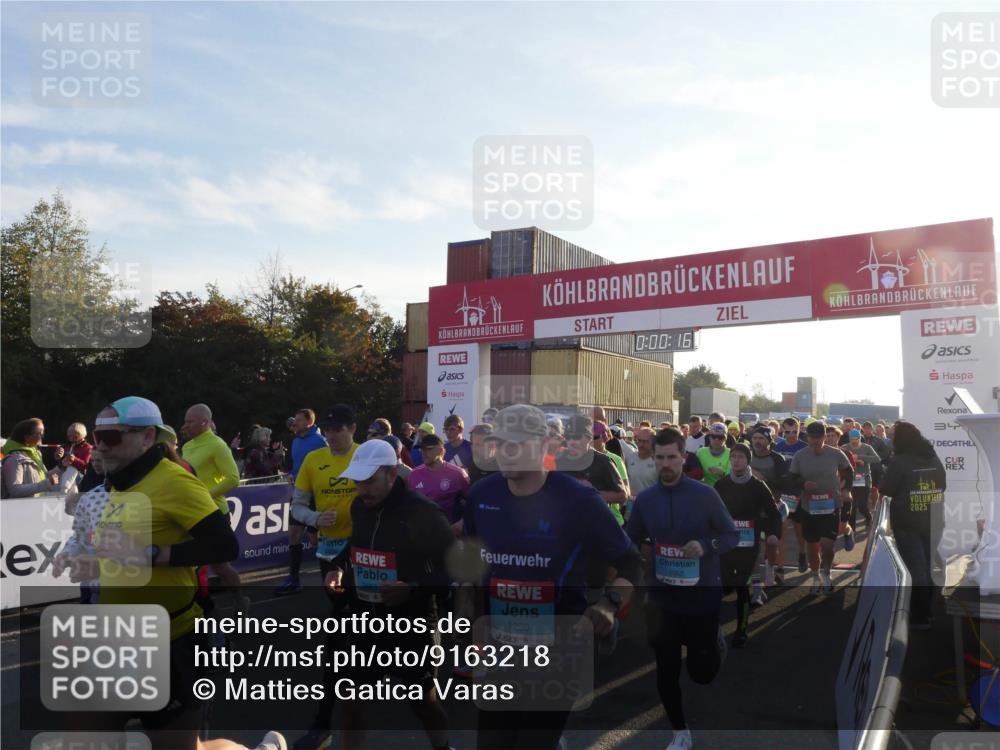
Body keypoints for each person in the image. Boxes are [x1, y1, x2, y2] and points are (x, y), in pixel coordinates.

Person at [465, 404, 640, 750]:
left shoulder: (579, 499)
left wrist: (609, 604)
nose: (506, 452)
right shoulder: (481, 495)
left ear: (544, 444)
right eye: (501, 443)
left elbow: (631, 562)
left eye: (517, 443)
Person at [77, 396, 239, 746]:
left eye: (111, 437)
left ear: (147, 437)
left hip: (170, 642)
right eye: (97, 436)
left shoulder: (174, 481)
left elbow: (225, 546)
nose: (100, 445)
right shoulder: (118, 482)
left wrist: (152, 554)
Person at [324, 439, 457, 750]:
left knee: (423, 702)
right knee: (351, 700)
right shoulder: (360, 506)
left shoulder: (423, 512)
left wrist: (413, 588)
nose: (362, 490)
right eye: (357, 482)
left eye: (369, 481)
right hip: (365, 621)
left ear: (392, 474)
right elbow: (355, 544)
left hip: (412, 625)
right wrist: (338, 567)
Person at [627, 428, 738, 750]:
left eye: (671, 457)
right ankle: (680, 732)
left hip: (701, 595)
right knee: (666, 669)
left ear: (683, 457)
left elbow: (731, 535)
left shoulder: (705, 495)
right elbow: (630, 536)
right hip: (662, 597)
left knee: (702, 673)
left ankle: (713, 641)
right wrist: (637, 549)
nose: (665, 464)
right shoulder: (646, 499)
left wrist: (705, 545)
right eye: (660, 458)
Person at [288, 404, 359, 745]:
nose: (331, 436)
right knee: (342, 615)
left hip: (366, 549)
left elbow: (400, 484)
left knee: (359, 615)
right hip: (330, 552)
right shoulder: (313, 460)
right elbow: (297, 506)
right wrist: (315, 519)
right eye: (327, 430)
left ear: (352, 429)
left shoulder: (366, 455)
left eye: (337, 429)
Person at [878, 421, 945, 630]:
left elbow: (886, 489)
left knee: (917, 569)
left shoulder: (899, 461)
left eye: (893, 436)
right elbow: (943, 485)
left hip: (908, 522)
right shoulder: (932, 457)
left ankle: (919, 616)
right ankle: (929, 612)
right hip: (933, 520)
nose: (890, 440)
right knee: (928, 565)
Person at [180, 403, 246, 610]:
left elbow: (233, 478)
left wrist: (205, 495)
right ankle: (194, 607)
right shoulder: (187, 446)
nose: (185, 425)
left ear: (204, 422)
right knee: (189, 563)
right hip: (189, 512)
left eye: (189, 422)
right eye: (185, 421)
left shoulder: (217, 445)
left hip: (214, 512)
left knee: (220, 567)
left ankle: (240, 601)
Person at [715, 443, 782, 646]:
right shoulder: (721, 485)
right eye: (733, 456)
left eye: (741, 457)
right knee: (722, 586)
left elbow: (773, 514)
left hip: (749, 543)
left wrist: (773, 534)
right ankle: (713, 629)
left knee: (742, 585)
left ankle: (741, 630)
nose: (736, 460)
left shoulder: (758, 486)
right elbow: (711, 512)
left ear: (748, 461)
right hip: (726, 543)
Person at [787, 421, 854, 594]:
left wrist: (846, 489)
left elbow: (849, 470)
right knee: (812, 547)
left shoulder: (836, 454)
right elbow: (791, 478)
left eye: (819, 437)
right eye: (812, 437)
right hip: (809, 507)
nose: (815, 441)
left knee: (827, 546)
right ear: (807, 437)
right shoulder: (800, 456)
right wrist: (803, 484)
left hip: (831, 505)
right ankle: (815, 575)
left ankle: (826, 572)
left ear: (824, 437)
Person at [276, 408, 327, 595]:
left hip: (316, 496)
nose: (294, 423)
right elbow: (297, 466)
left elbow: (328, 465)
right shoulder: (296, 441)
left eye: (298, 420)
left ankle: (332, 575)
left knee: (314, 540)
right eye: (295, 420)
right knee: (293, 534)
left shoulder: (320, 441)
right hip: (299, 494)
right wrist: (291, 474)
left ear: (309, 422)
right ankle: (294, 578)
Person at [54, 452, 108, 604]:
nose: (97, 464)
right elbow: (79, 535)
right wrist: (66, 554)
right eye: (93, 461)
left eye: (100, 460)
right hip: (91, 584)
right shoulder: (91, 495)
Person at [556, 415, 628, 525]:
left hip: (595, 525)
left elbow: (622, 496)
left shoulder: (602, 461)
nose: (572, 442)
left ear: (589, 438)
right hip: (565, 526)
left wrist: (591, 492)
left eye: (577, 437)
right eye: (568, 437)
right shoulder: (558, 460)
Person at [748, 426, 791, 587]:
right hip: (750, 507)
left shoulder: (777, 459)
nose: (757, 441)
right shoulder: (747, 456)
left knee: (772, 543)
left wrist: (763, 479)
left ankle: (771, 569)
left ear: (770, 440)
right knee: (751, 544)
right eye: (755, 438)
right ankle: (752, 578)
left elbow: (784, 484)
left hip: (773, 506)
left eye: (761, 438)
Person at [408, 433, 470, 532]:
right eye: (422, 449)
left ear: (441, 451)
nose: (424, 453)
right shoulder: (414, 474)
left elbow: (472, 503)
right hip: (422, 533)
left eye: (429, 449)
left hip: (449, 534)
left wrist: (462, 522)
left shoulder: (458, 474)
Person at [773, 417, 809, 572]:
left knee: (799, 529)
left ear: (800, 430)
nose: (791, 435)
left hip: (799, 493)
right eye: (787, 432)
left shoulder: (805, 447)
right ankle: (780, 567)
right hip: (783, 494)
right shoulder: (777, 447)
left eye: (795, 431)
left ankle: (802, 554)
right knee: (781, 530)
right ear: (783, 431)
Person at [841, 429, 881, 550]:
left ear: (860, 438)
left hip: (864, 479)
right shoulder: (844, 447)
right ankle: (851, 532)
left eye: (856, 439)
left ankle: (868, 518)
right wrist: (852, 461)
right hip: (851, 480)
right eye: (852, 439)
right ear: (849, 439)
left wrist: (861, 458)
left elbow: (877, 458)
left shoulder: (866, 447)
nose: (854, 442)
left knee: (862, 506)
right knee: (852, 507)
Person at [1, 418, 58, 498]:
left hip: (37, 503)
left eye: (43, 433)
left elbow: (43, 476)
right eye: (39, 433)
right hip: (23, 506)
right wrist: (46, 484)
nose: (42, 436)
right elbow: (14, 491)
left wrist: (62, 466)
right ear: (27, 437)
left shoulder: (35, 454)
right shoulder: (14, 459)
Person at [626, 427, 658, 514]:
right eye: (639, 441)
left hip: (652, 508)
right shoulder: (630, 458)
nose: (641, 444)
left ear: (653, 442)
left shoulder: (659, 460)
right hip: (631, 507)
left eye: (645, 441)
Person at [695, 423, 731, 488]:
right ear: (709, 437)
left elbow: (735, 478)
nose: (716, 440)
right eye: (713, 436)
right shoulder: (700, 452)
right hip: (705, 490)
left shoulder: (731, 453)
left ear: (725, 439)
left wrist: (722, 474)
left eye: (720, 437)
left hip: (725, 490)